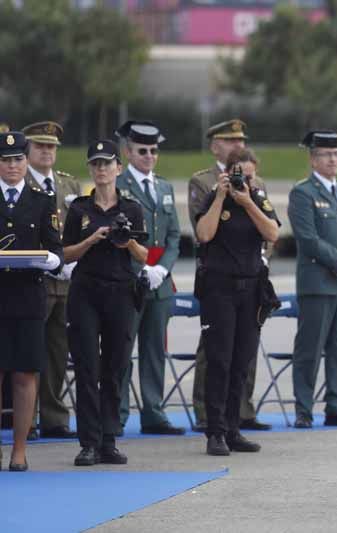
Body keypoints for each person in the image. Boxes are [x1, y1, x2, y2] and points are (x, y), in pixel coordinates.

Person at [63, 140, 148, 466]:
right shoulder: (79, 209)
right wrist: (91, 239)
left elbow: (145, 254)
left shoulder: (131, 208)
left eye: (107, 164)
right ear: (90, 170)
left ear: (118, 168)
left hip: (120, 291)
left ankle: (109, 439)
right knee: (87, 367)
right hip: (86, 290)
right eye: (96, 164)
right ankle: (88, 442)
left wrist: (125, 241)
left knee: (115, 365)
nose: (101, 170)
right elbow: (64, 253)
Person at [187, 119, 272, 432]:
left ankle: (241, 413)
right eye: (230, 140)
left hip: (251, 275)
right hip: (218, 277)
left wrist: (263, 255)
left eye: (241, 140)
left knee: (243, 353)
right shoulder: (204, 182)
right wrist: (222, 195)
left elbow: (271, 230)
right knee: (215, 354)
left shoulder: (255, 181)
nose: (237, 145)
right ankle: (208, 415)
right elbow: (203, 233)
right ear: (214, 146)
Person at [288, 130, 337, 429]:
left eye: (336, 154)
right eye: (326, 154)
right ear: (312, 159)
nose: (333, 159)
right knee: (310, 349)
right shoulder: (303, 193)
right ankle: (304, 409)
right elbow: (308, 239)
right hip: (317, 284)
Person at [115, 120, 184, 436]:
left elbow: (173, 235)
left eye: (154, 151)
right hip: (129, 279)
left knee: (155, 350)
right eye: (142, 151)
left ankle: (154, 412)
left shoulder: (164, 187)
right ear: (128, 152)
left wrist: (162, 268)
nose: (149, 156)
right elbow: (118, 233)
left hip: (159, 282)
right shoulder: (119, 186)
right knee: (121, 348)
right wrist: (143, 266)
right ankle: (116, 412)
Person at [0, 131, 63, 471]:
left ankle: (19, 449)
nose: (12, 165)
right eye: (6, 160)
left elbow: (56, 251)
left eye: (18, 159)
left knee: (25, 374)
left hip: (27, 297)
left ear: (26, 161)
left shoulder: (42, 201)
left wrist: (47, 260)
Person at [21, 121, 81, 440]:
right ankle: (25, 419)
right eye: (40, 146)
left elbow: (75, 227)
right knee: (29, 350)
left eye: (52, 146)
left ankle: (55, 416)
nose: (47, 151)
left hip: (64, 280)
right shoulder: (19, 183)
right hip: (33, 278)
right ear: (27, 149)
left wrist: (71, 261)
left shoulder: (68, 184)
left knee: (58, 350)